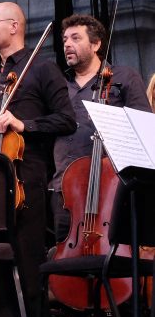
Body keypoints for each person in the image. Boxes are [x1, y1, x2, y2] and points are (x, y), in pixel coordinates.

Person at [0, 2, 76, 317]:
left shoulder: (42, 70)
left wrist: (23, 125)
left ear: (14, 26)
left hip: (26, 184)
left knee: (28, 273)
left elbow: (67, 120)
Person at [50, 14, 150, 242]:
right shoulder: (59, 87)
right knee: (66, 253)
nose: (67, 44)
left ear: (96, 44)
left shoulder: (123, 77)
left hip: (111, 187)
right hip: (65, 190)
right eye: (65, 39)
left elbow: (143, 126)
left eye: (75, 38)